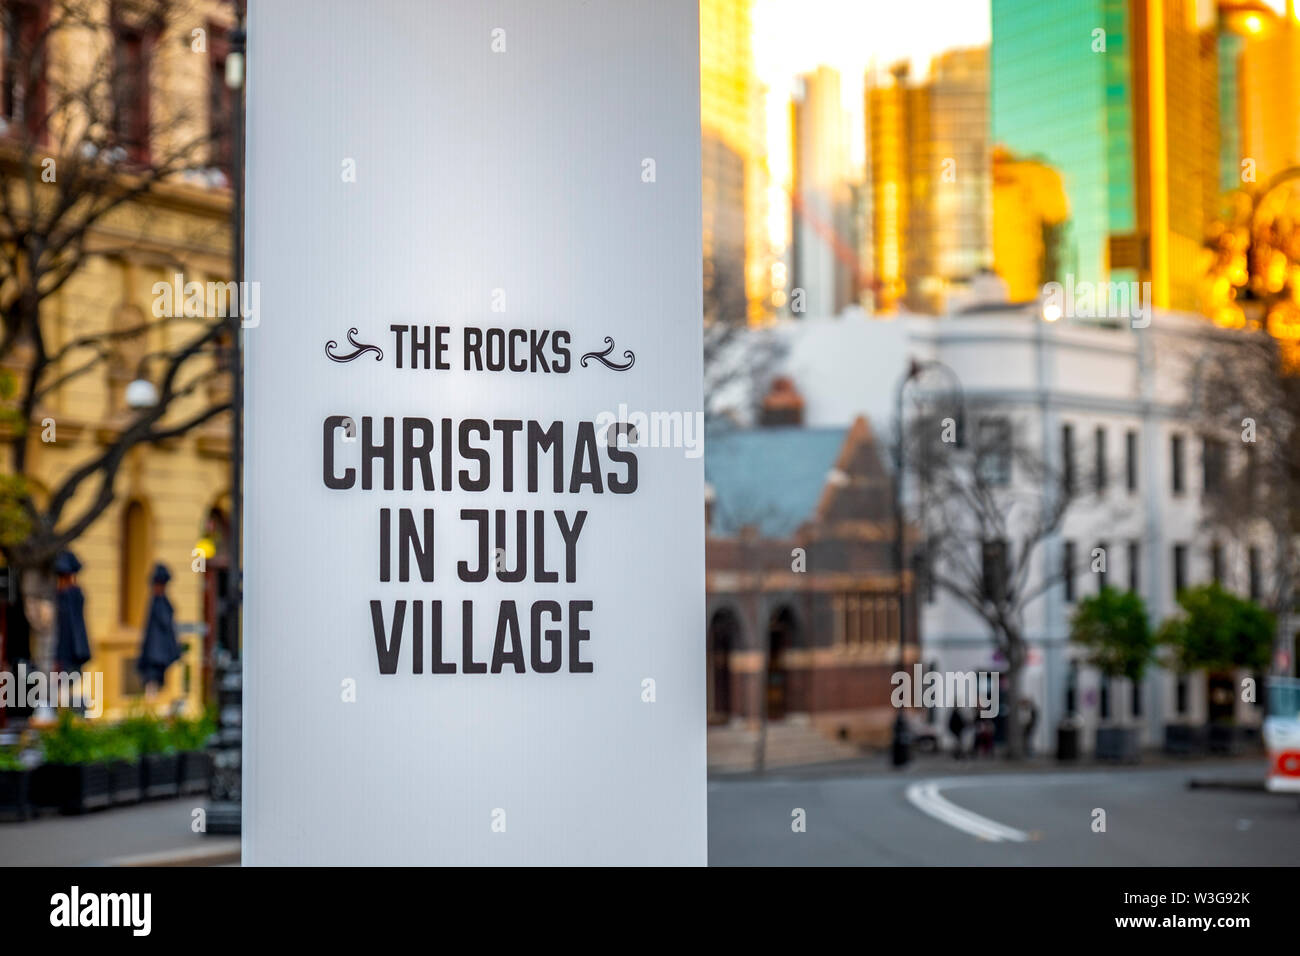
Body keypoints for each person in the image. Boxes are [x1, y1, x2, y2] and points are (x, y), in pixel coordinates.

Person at [137, 563, 181, 693]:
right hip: (154, 654)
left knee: (154, 684)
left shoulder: (160, 603)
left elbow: (164, 628)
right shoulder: (157, 602)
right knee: (151, 685)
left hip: (157, 655)